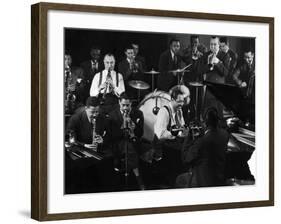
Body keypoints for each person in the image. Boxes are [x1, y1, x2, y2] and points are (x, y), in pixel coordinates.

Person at [65, 97, 113, 193]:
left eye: (97, 112)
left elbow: (109, 135)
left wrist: (102, 139)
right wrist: (85, 145)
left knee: (108, 162)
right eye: (92, 112)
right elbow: (69, 140)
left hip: (96, 150)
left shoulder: (102, 117)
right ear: (86, 108)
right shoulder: (75, 118)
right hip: (79, 149)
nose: (95, 115)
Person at [179, 107, 229, 188]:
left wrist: (188, 135)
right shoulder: (225, 135)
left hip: (203, 183)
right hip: (218, 180)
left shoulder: (201, 142)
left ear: (204, 122)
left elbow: (185, 158)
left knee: (180, 180)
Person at [153, 85, 191, 186]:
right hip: (162, 146)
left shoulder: (179, 110)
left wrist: (184, 131)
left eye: (183, 101)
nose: (181, 104)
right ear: (172, 100)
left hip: (173, 144)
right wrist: (176, 133)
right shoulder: (164, 111)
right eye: (179, 101)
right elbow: (160, 134)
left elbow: (181, 126)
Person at [108, 93, 145, 190]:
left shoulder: (138, 114)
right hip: (118, 142)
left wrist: (134, 127)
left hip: (133, 140)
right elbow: (111, 135)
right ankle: (138, 178)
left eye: (127, 105)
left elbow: (140, 133)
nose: (125, 108)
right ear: (119, 103)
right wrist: (123, 127)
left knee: (131, 148)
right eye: (123, 105)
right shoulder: (112, 115)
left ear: (131, 104)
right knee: (130, 149)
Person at [200, 36, 231, 119]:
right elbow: (201, 70)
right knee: (208, 112)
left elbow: (225, 73)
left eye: (214, 44)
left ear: (219, 45)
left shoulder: (225, 56)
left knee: (219, 113)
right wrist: (209, 66)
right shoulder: (206, 55)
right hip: (209, 87)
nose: (212, 47)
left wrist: (217, 62)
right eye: (211, 44)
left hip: (220, 88)